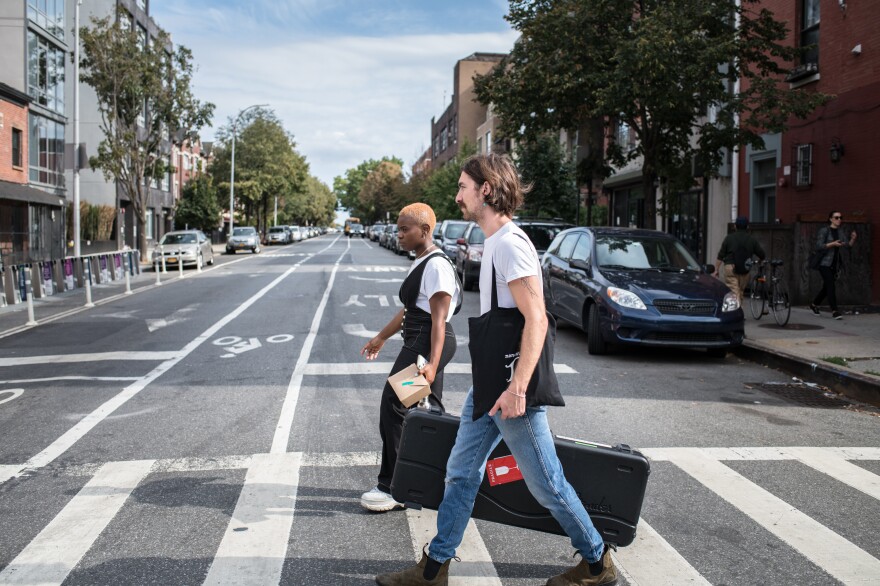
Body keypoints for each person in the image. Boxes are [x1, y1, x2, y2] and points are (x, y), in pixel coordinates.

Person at [375, 154, 615, 586]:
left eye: (463, 186)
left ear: (486, 189)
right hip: (490, 385)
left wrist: (519, 388)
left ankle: (597, 562)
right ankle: (435, 569)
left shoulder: (510, 244)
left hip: (510, 391)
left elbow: (537, 319)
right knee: (461, 472)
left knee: (546, 484)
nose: (457, 195)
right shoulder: (494, 243)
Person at [360, 203, 461, 512]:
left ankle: (394, 487)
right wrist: (381, 337)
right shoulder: (423, 261)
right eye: (399, 229)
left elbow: (439, 320)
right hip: (422, 343)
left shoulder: (436, 265)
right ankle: (428, 482)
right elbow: (409, 310)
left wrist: (431, 362)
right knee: (428, 414)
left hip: (425, 345)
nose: (399, 235)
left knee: (394, 405)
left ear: (425, 231)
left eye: (406, 230)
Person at [810, 210, 857, 320]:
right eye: (836, 217)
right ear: (830, 219)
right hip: (824, 263)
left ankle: (814, 305)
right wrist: (833, 244)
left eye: (840, 217)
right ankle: (835, 311)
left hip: (835, 265)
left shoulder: (841, 231)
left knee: (826, 287)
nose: (839, 219)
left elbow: (847, 246)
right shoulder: (824, 231)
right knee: (831, 286)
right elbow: (818, 246)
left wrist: (853, 239)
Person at [714, 216, 765, 304]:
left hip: (731, 267)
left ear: (735, 226)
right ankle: (739, 313)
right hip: (745, 268)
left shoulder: (729, 238)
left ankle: (736, 313)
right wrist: (761, 260)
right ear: (747, 227)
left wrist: (716, 269)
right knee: (740, 292)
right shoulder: (752, 240)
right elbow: (762, 254)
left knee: (734, 291)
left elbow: (720, 255)